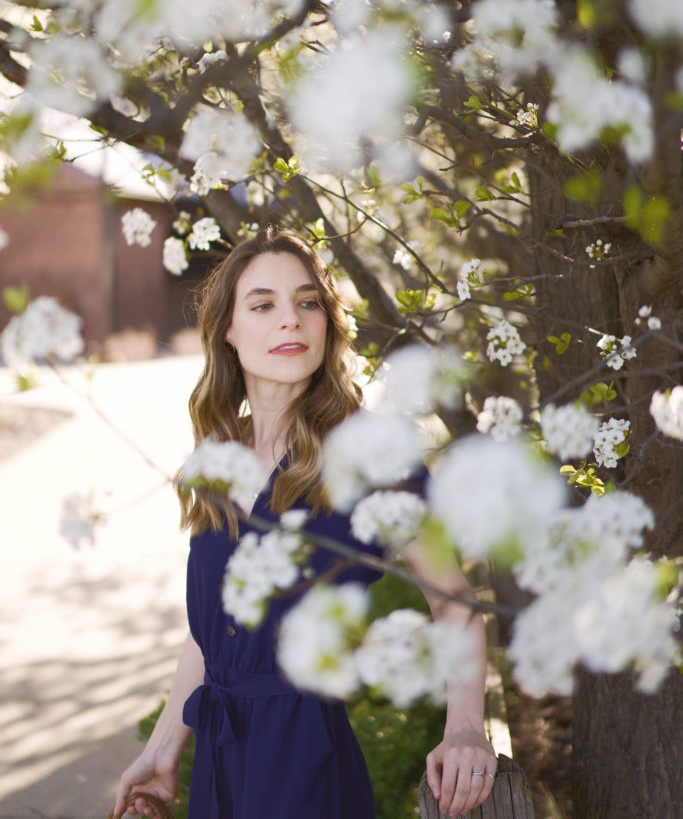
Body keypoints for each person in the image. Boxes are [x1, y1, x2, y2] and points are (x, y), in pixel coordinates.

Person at [113, 226, 496, 819]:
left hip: (306, 764)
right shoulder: (215, 460)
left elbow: (455, 603)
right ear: (230, 333)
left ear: (326, 325)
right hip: (220, 765)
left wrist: (467, 728)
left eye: (307, 302)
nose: (289, 319)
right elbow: (212, 627)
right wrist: (164, 748)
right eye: (263, 305)